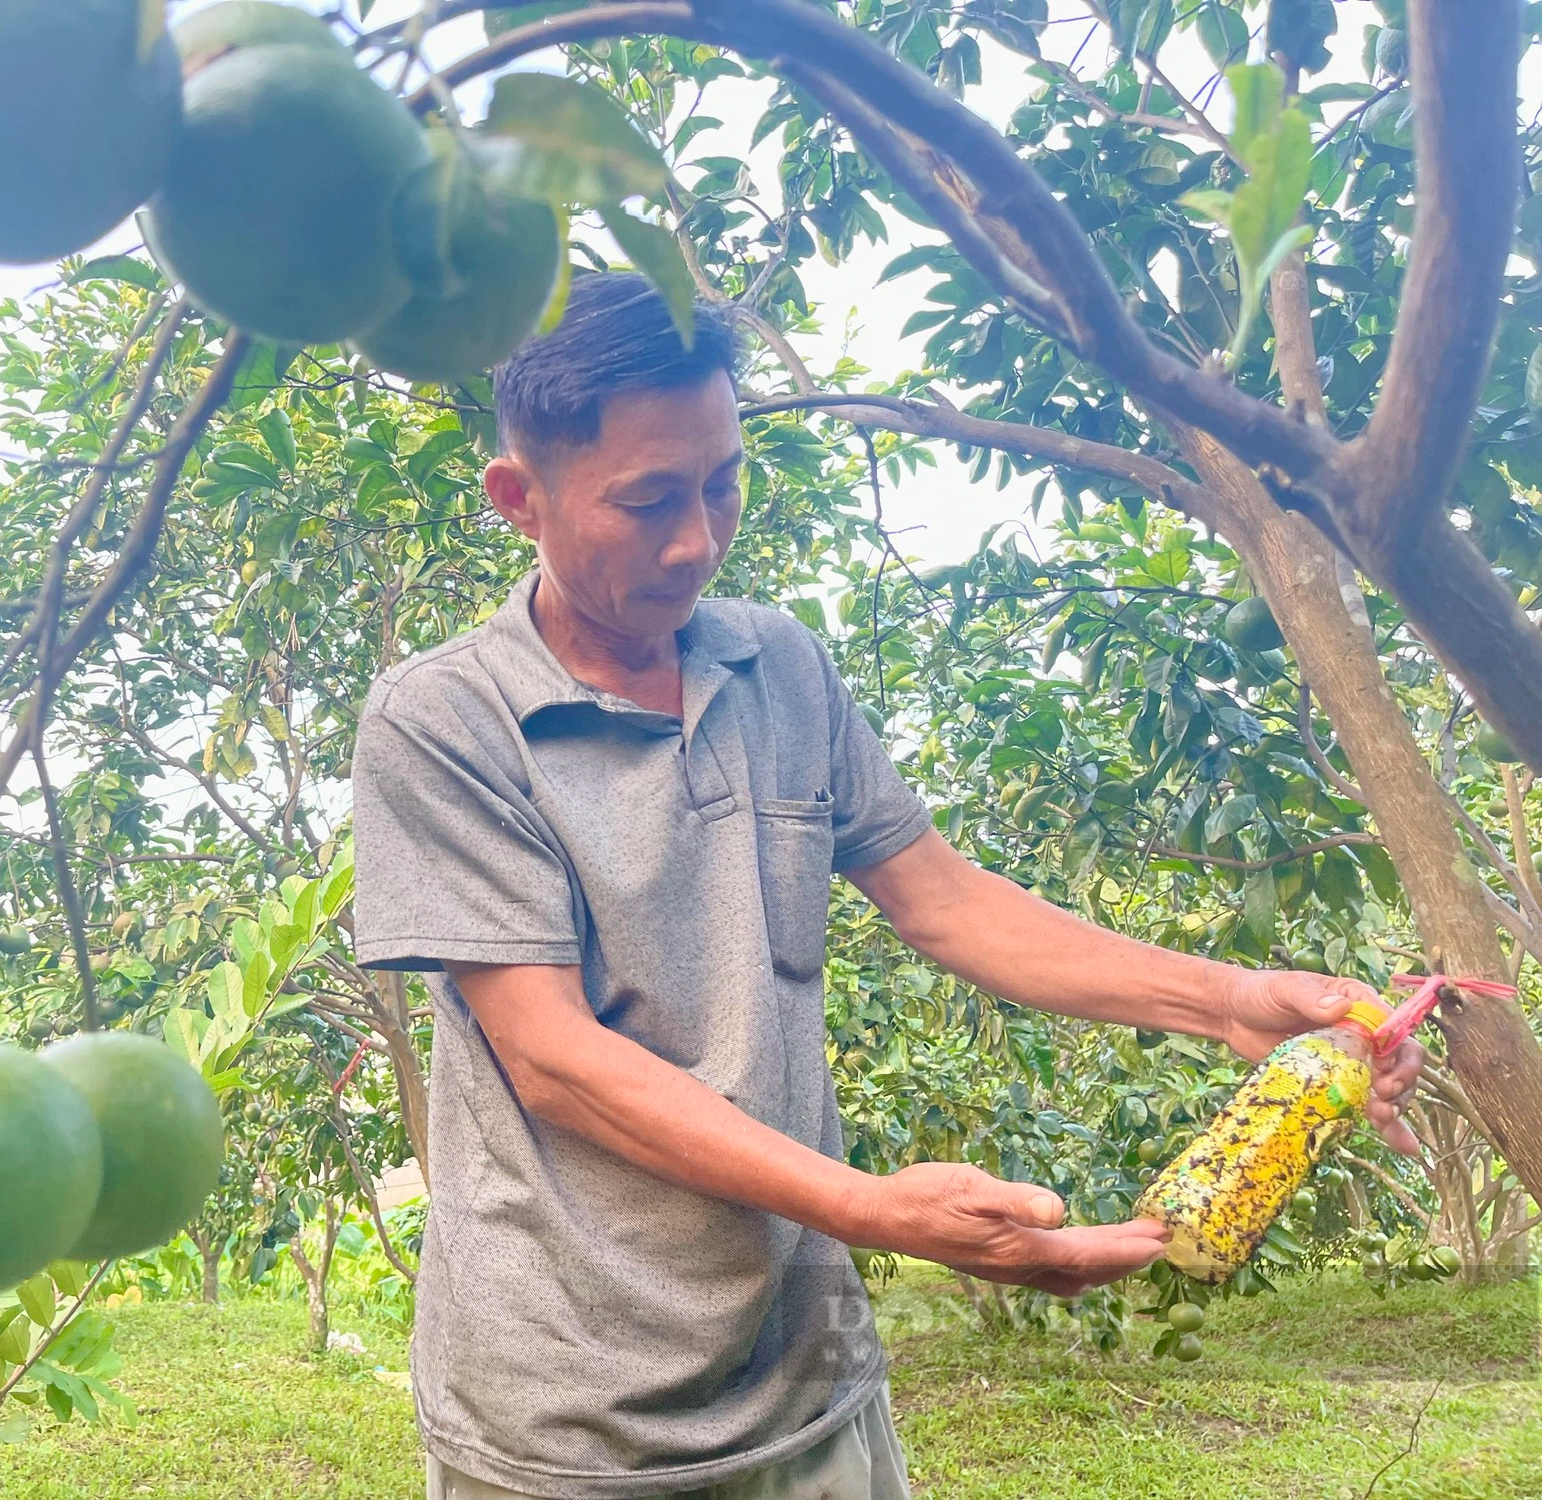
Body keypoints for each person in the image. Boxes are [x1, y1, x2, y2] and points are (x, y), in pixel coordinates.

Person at [350, 272, 1425, 1500]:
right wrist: (875, 1211)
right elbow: (552, 1060)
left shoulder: (779, 667)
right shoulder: (443, 722)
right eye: (645, 500)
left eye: (721, 483)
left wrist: (1224, 1001)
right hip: (566, 1424)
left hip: (808, 1378)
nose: (695, 538)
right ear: (516, 499)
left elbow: (944, 901)